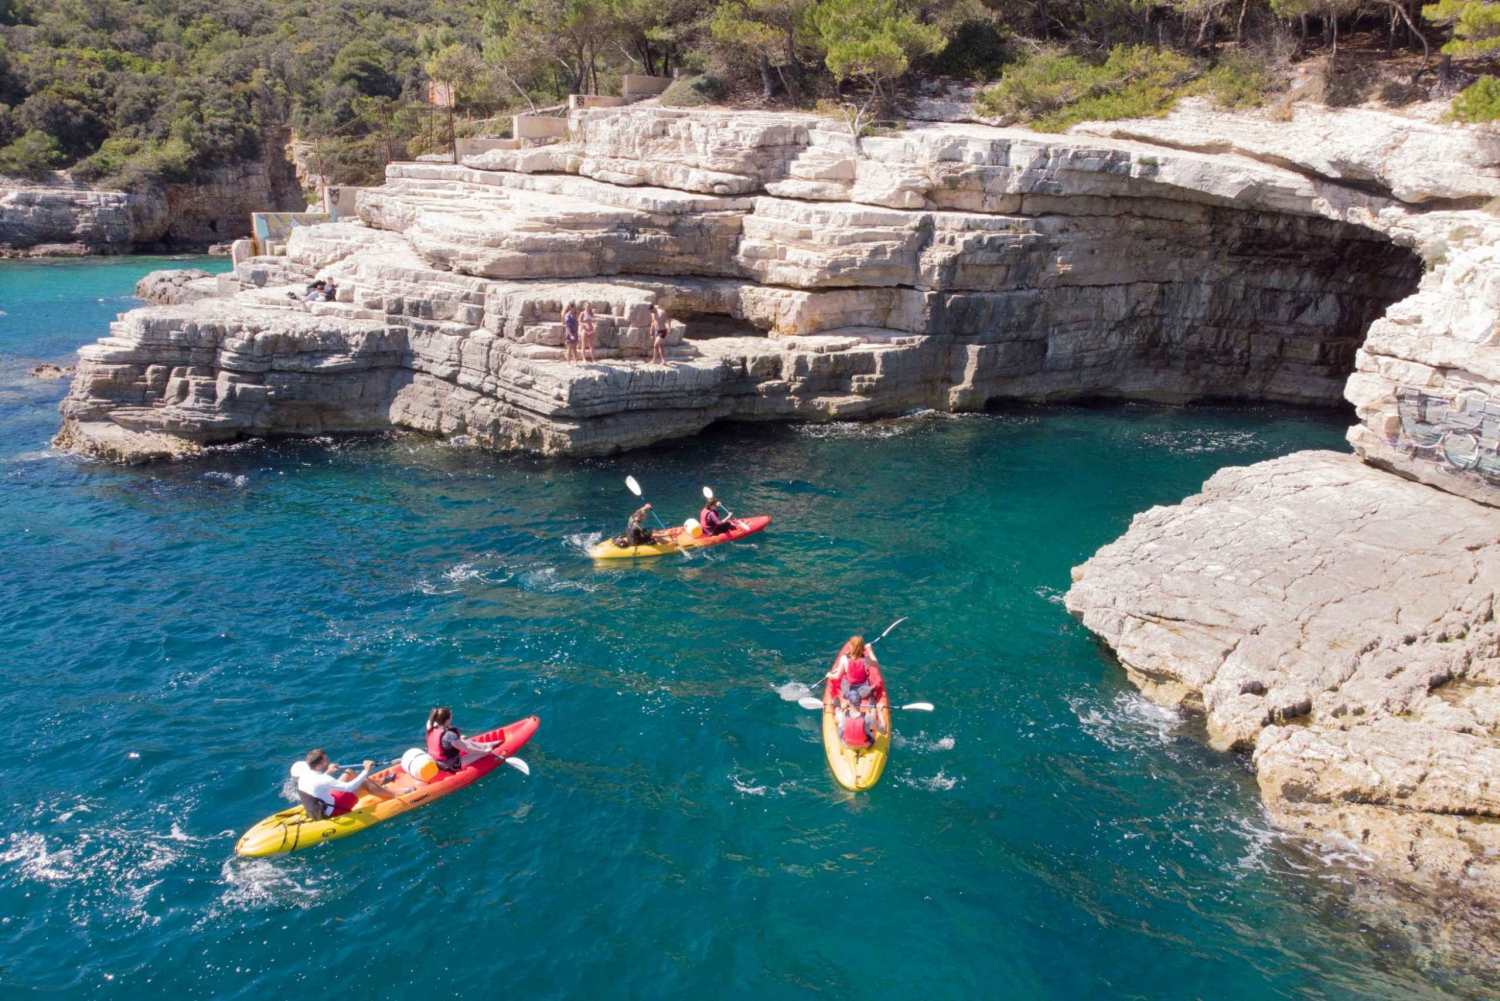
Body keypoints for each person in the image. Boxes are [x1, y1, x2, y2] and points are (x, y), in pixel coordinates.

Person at [289, 747, 399, 821]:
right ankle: (395, 794)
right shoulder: (321, 779)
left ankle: (379, 783)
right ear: (318, 766)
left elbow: (319, 785)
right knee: (363, 782)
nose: (328, 761)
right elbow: (348, 787)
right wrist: (366, 770)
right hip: (334, 809)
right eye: (326, 760)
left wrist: (328, 772)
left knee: (348, 772)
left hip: (324, 803)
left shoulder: (305, 775)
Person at [425, 706, 504, 773]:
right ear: (448, 719)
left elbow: (446, 743)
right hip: (450, 765)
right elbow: (469, 749)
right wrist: (485, 751)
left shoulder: (433, 729)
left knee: (464, 740)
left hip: (437, 762)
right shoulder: (449, 735)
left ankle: (487, 744)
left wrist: (459, 739)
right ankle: (487, 748)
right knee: (484, 753)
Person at [827, 635, 885, 706]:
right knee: (866, 687)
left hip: (849, 688)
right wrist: (870, 651)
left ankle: (851, 698)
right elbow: (875, 663)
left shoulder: (844, 659)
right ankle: (866, 694)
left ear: (852, 647)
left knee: (844, 685)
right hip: (863, 686)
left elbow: (837, 676)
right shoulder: (865, 659)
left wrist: (829, 675)